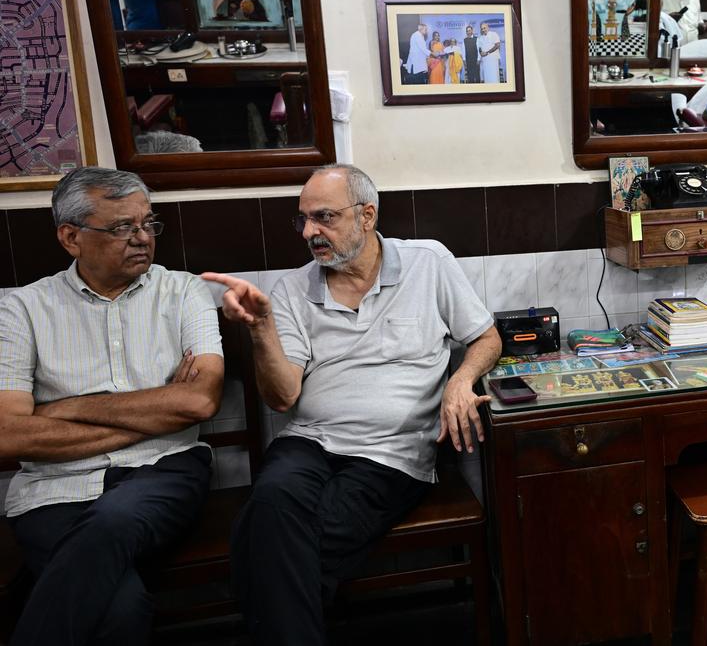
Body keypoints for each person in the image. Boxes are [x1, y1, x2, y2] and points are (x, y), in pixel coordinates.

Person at [202, 164, 501, 646]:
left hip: (391, 454)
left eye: (323, 217)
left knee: (275, 542)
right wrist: (261, 331)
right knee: (273, 503)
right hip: (307, 442)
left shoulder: (428, 262)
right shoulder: (292, 290)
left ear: (367, 215)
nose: (309, 232)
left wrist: (461, 378)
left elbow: (486, 338)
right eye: (301, 220)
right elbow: (283, 398)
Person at [0, 167, 224, 645]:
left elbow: (200, 400)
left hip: (163, 471)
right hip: (53, 489)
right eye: (122, 227)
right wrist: (158, 412)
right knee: (120, 611)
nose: (142, 238)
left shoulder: (183, 290)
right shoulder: (20, 310)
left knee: (113, 519)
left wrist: (58, 410)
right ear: (70, 237)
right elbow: (9, 435)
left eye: (148, 223)